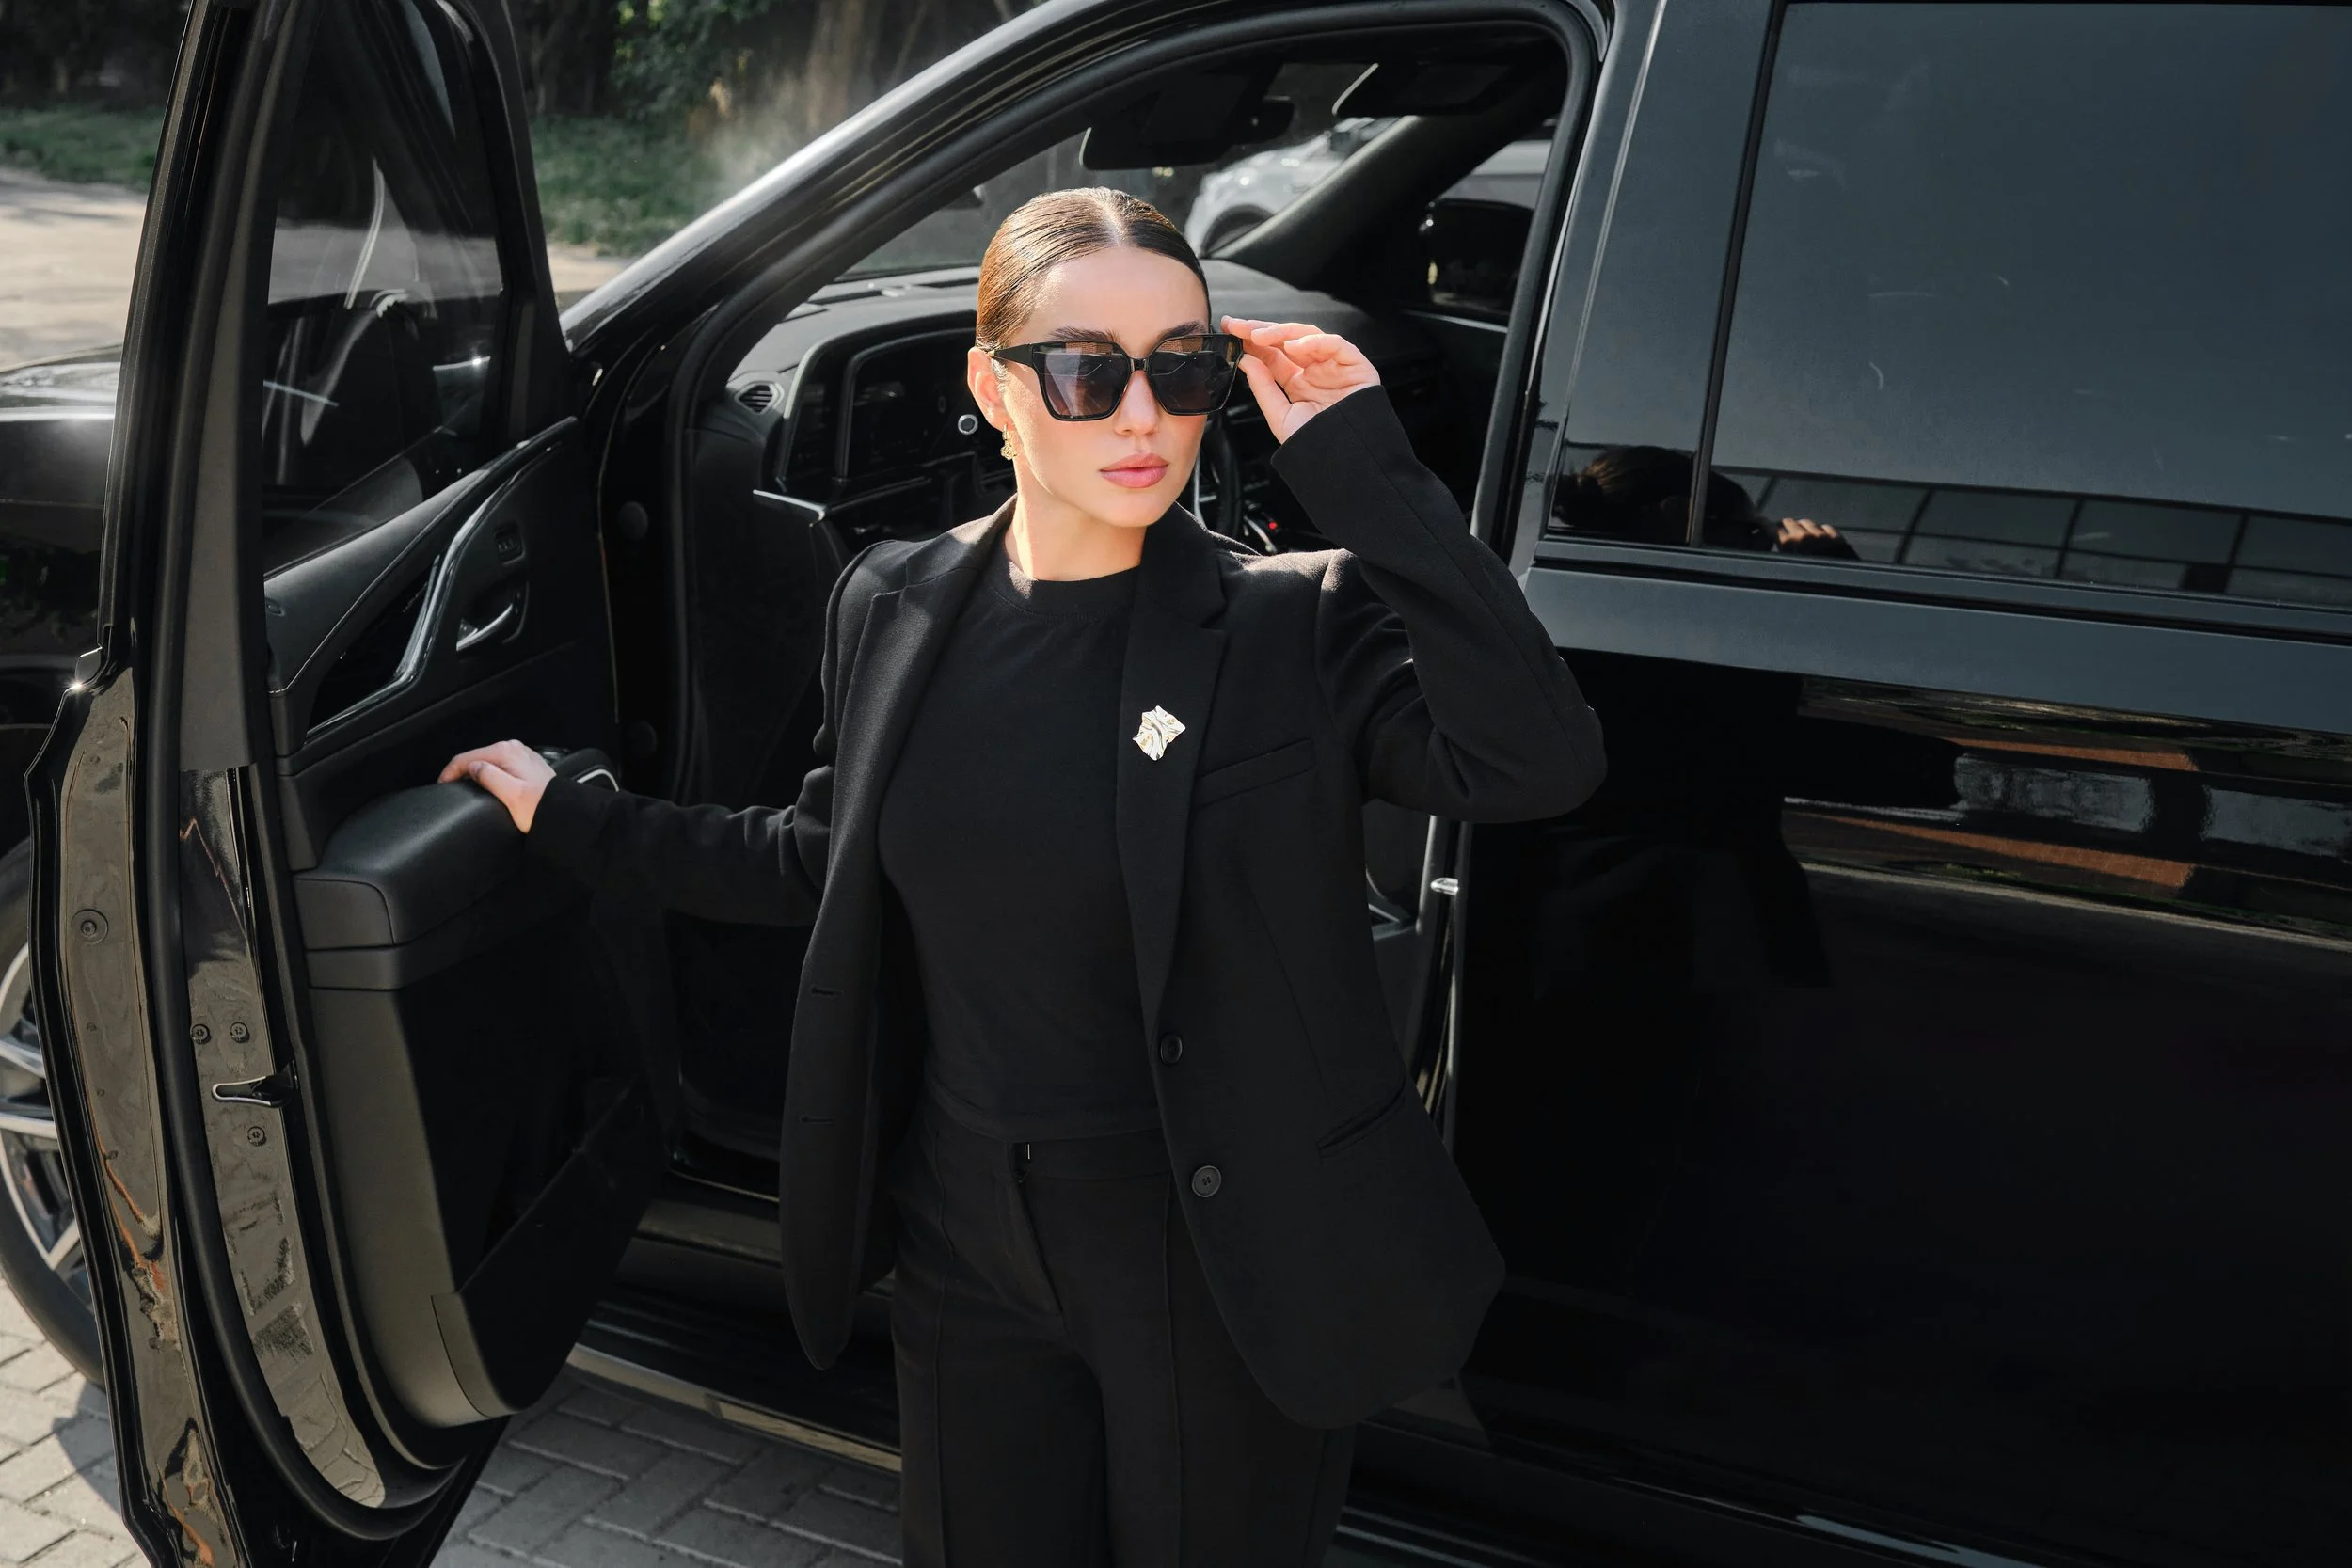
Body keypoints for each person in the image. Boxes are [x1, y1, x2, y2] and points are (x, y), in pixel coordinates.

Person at [441, 187, 1604, 1566]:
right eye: (1083, 368)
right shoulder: (892, 601)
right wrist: (581, 820)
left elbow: (1535, 759)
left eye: (1183, 368)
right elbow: (826, 854)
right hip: (964, 1240)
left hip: (1211, 1253)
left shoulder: (1290, 623)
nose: (1140, 415)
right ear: (992, 386)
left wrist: (1371, 476)